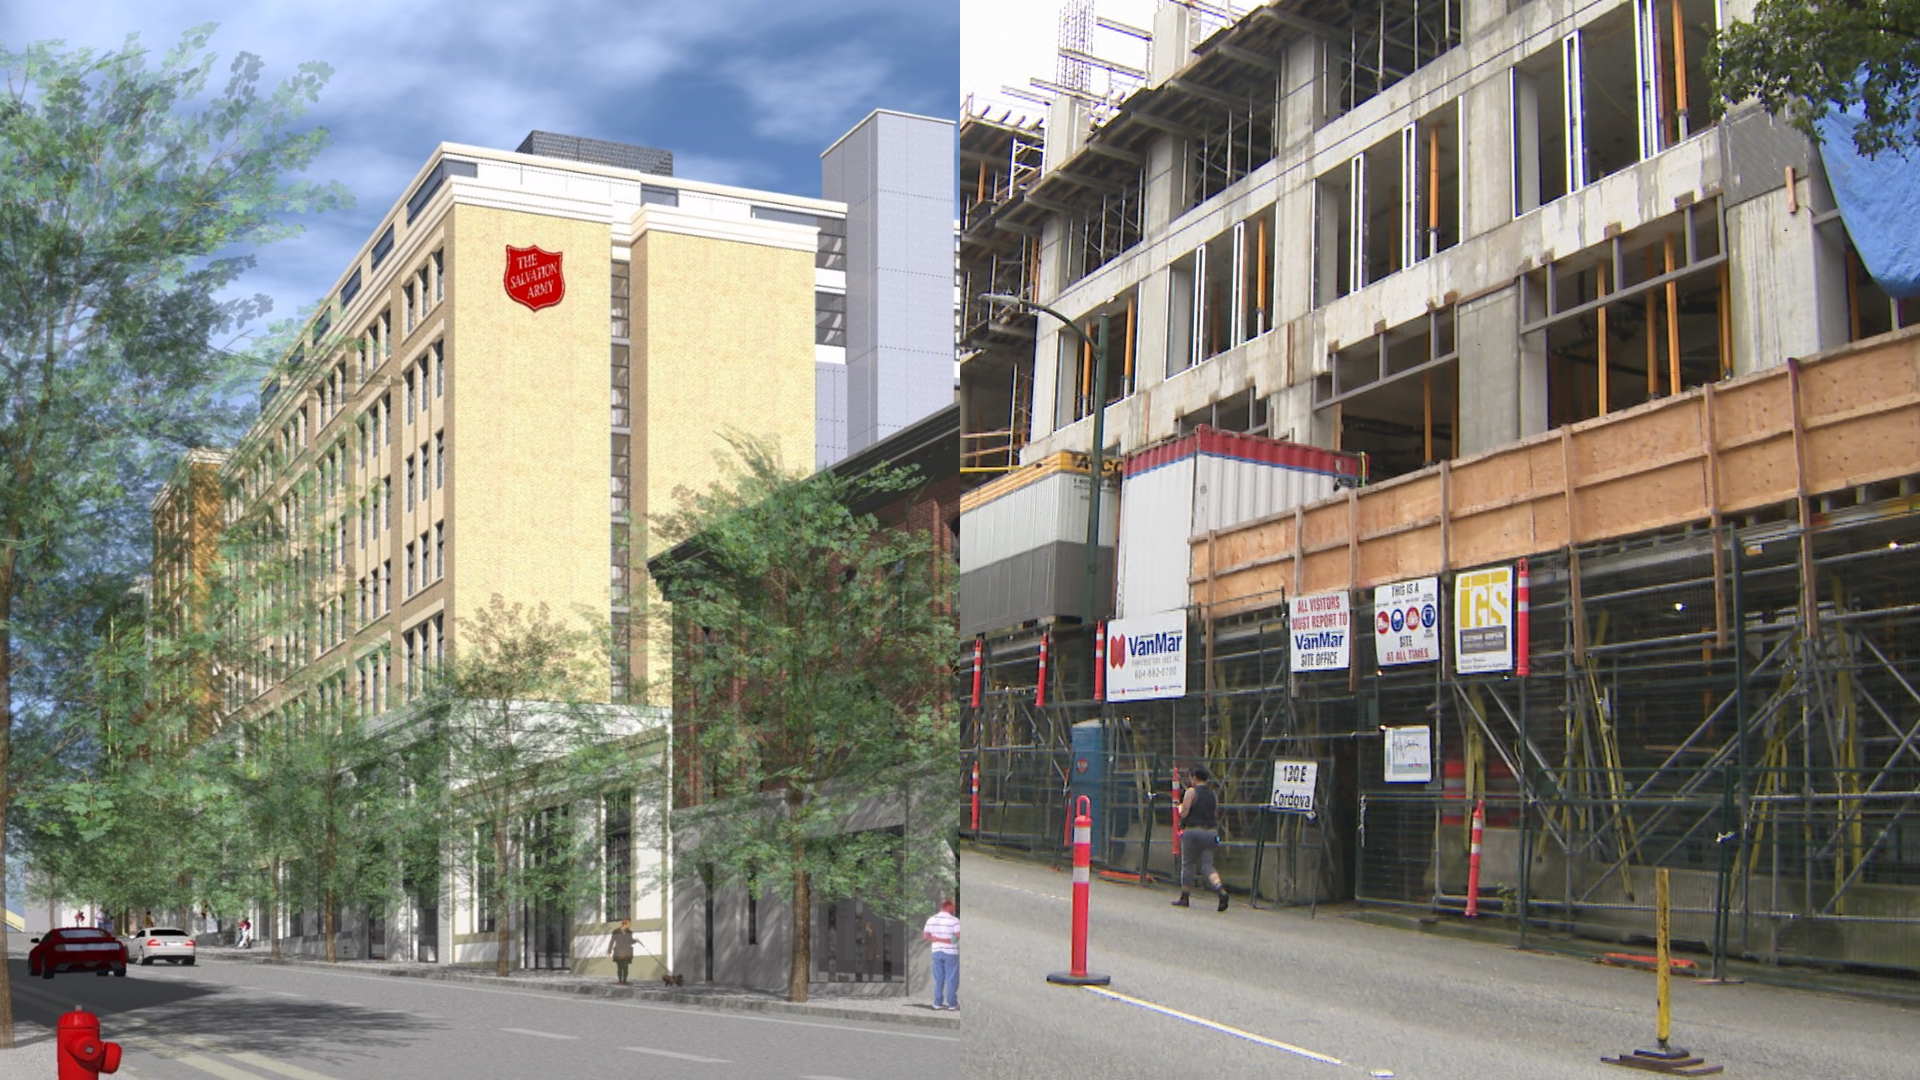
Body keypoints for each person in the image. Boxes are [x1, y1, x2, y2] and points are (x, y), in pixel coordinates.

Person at [1173, 766, 1229, 911]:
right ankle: (1220, 890)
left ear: (1194, 777)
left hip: (1193, 832)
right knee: (1207, 865)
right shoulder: (1213, 795)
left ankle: (1184, 896)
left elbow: (1184, 813)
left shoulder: (1191, 792)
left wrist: (1179, 808)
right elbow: (1215, 813)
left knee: (1188, 864)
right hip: (1211, 833)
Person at [922, 900, 960, 1011]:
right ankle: (952, 1004)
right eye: (953, 906)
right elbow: (957, 937)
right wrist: (944, 939)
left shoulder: (931, 919)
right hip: (951, 953)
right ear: (948, 907)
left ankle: (937, 1003)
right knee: (951, 979)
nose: (954, 908)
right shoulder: (954, 921)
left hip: (936, 952)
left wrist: (935, 939)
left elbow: (925, 935)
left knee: (938, 978)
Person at [610, 919, 635, 985]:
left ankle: (624, 980)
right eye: (629, 924)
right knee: (620, 967)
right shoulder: (616, 931)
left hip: (627, 951)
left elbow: (630, 941)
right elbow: (612, 941)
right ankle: (620, 980)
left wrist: (636, 940)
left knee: (626, 966)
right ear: (625, 924)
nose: (630, 926)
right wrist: (609, 951)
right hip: (619, 951)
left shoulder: (629, 932)